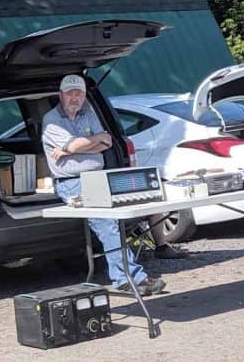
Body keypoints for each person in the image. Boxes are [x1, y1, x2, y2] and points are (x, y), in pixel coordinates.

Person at [42, 75, 166, 296]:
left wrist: (75, 148)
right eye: (70, 93)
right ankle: (127, 279)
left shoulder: (89, 113)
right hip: (72, 183)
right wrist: (90, 142)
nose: (74, 98)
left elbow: (106, 142)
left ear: (83, 95)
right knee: (108, 223)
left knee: (117, 220)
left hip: (98, 178)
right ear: (60, 95)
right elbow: (78, 144)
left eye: (78, 93)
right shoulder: (52, 120)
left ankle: (128, 275)